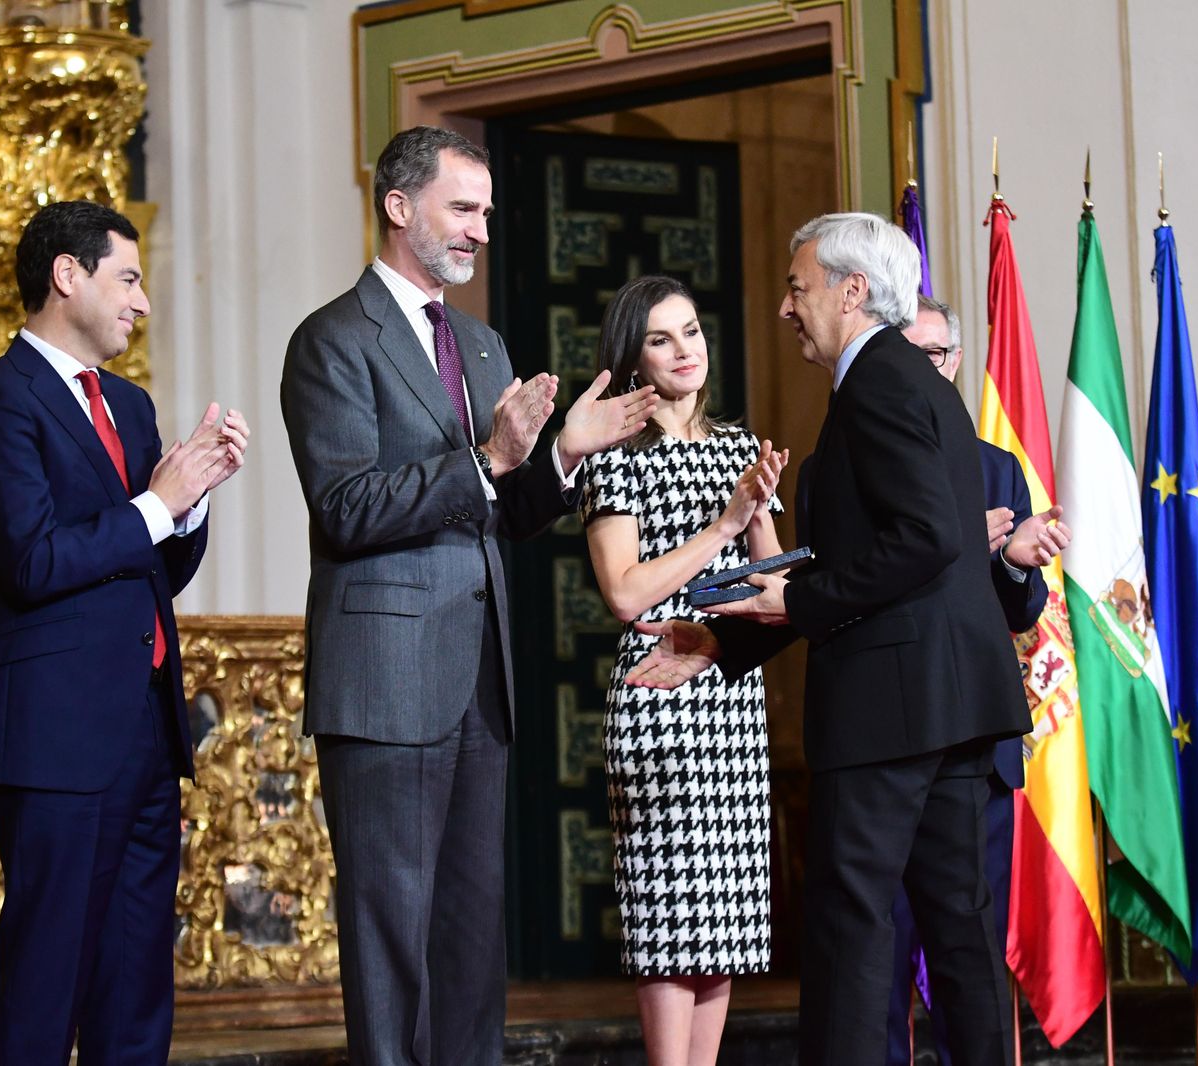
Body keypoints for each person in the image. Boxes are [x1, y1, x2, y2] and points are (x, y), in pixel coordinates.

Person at [280, 125, 658, 1066]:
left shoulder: (482, 344)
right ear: (399, 207)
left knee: (470, 933)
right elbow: (346, 507)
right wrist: (488, 456)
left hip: (478, 680)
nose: (482, 231)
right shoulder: (332, 340)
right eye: (464, 208)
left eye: (488, 211)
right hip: (384, 679)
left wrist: (565, 450)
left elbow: (504, 510)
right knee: (391, 933)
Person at [626, 212, 1030, 1066]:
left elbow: (923, 542)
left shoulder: (879, 380)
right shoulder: (915, 382)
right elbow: (875, 566)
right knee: (958, 928)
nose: (784, 307)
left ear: (853, 291)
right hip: (950, 705)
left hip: (892, 714)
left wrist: (796, 602)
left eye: (798, 286)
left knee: (851, 925)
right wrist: (721, 644)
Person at [0, 200, 248, 1065]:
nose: (143, 302)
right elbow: (31, 562)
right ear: (66, 276)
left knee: (135, 979)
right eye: (129, 278)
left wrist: (193, 500)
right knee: (48, 978)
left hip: (146, 736)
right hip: (55, 738)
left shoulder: (130, 402)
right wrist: (159, 502)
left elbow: (159, 571)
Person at [580, 275, 788, 1065]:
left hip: (731, 697)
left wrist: (762, 514)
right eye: (662, 339)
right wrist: (725, 523)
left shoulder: (738, 448)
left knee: (723, 925)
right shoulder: (615, 455)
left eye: (692, 332)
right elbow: (625, 591)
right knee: (672, 925)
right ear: (634, 359)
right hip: (659, 698)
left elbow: (775, 592)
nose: (684, 351)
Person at [886, 295, 1071, 1064]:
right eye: (910, 355)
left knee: (971, 953)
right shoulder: (877, 455)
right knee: (882, 954)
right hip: (892, 737)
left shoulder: (998, 467)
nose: (925, 369)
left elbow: (1022, 612)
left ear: (955, 362)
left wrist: (1010, 561)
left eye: (935, 356)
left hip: (979, 754)